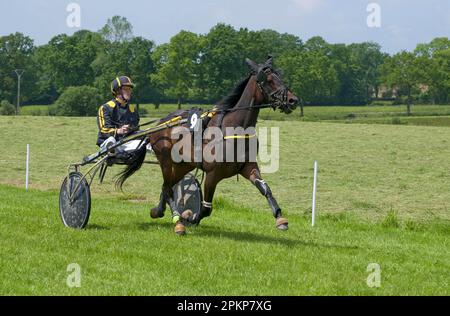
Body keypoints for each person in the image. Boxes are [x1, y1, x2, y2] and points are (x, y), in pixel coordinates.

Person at [95, 76, 147, 160]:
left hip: (126, 144)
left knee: (147, 140)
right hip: (108, 143)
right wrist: (118, 131)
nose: (129, 92)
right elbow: (104, 130)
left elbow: (135, 130)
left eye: (130, 89)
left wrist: (139, 132)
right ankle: (112, 154)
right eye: (126, 89)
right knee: (111, 140)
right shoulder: (105, 108)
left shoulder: (133, 110)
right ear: (117, 91)